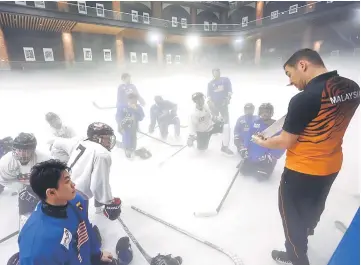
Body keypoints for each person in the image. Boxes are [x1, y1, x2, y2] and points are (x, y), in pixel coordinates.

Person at [251, 49, 360, 265]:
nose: (291, 82)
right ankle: (300, 244)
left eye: (289, 74)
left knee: (292, 223)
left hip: (301, 171)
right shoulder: (352, 88)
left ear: (302, 65)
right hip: (330, 166)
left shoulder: (305, 99)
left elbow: (284, 142)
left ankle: (296, 256)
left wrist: (262, 142)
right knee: (312, 211)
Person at [17, 159, 133, 265]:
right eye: (67, 182)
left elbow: (86, 230)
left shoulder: (76, 201)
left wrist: (97, 255)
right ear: (51, 193)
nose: (73, 184)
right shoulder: (38, 244)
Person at [65, 122, 121, 219]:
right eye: (107, 138)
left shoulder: (82, 142)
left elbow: (57, 144)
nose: (109, 141)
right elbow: (98, 184)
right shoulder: (102, 153)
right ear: (97, 138)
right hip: (76, 196)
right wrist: (109, 203)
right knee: (78, 223)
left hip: (62, 187)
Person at [0, 133, 51, 228]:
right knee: (26, 211)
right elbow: (4, 180)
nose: (22, 154)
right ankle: (27, 226)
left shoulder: (44, 160)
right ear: (14, 150)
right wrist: (21, 189)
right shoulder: (5, 162)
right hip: (23, 185)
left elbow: (52, 179)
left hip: (39, 184)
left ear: (33, 150)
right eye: (19, 150)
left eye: (26, 151)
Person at [238, 103, 285, 180]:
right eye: (262, 112)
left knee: (260, 178)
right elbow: (248, 136)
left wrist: (271, 156)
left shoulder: (276, 126)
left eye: (267, 112)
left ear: (271, 113)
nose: (264, 114)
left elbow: (281, 144)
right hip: (253, 156)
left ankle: (266, 168)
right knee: (244, 171)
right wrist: (245, 148)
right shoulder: (255, 123)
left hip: (266, 159)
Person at [207, 68, 234, 155]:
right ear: (212, 74)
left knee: (226, 121)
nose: (216, 74)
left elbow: (230, 90)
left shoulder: (225, 80)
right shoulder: (210, 83)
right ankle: (215, 134)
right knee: (215, 121)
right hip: (214, 104)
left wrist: (228, 98)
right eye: (214, 73)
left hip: (223, 103)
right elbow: (208, 95)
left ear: (219, 73)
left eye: (217, 72)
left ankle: (225, 141)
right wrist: (210, 103)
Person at [117, 93, 151, 159]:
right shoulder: (123, 107)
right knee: (127, 141)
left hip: (134, 127)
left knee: (133, 144)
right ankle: (125, 149)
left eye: (135, 101)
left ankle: (129, 149)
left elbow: (141, 117)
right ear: (128, 100)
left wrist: (136, 110)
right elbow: (118, 117)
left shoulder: (138, 107)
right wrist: (120, 124)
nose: (134, 102)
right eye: (132, 101)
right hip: (124, 127)